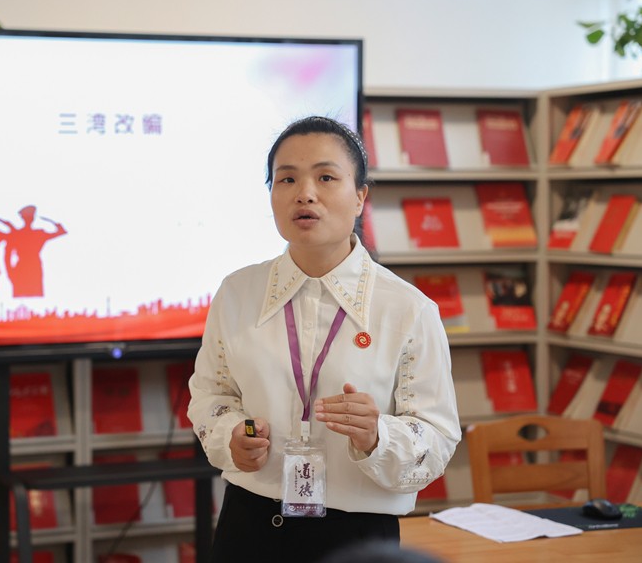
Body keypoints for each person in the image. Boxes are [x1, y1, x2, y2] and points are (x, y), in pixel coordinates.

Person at [187, 116, 461, 563]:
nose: (305, 193)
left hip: (357, 537)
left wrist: (376, 435)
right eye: (286, 179)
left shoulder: (408, 309)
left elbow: (438, 436)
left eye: (326, 177)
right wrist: (230, 436)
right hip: (248, 526)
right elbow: (211, 395)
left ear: (360, 197)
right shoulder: (237, 293)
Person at [0, 205, 67, 298]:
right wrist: (10, 272)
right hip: (22, 268)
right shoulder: (19, 234)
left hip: (34, 267)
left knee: (35, 295)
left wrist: (50, 221)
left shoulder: (37, 233)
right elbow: (7, 255)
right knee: (20, 296)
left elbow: (62, 232)